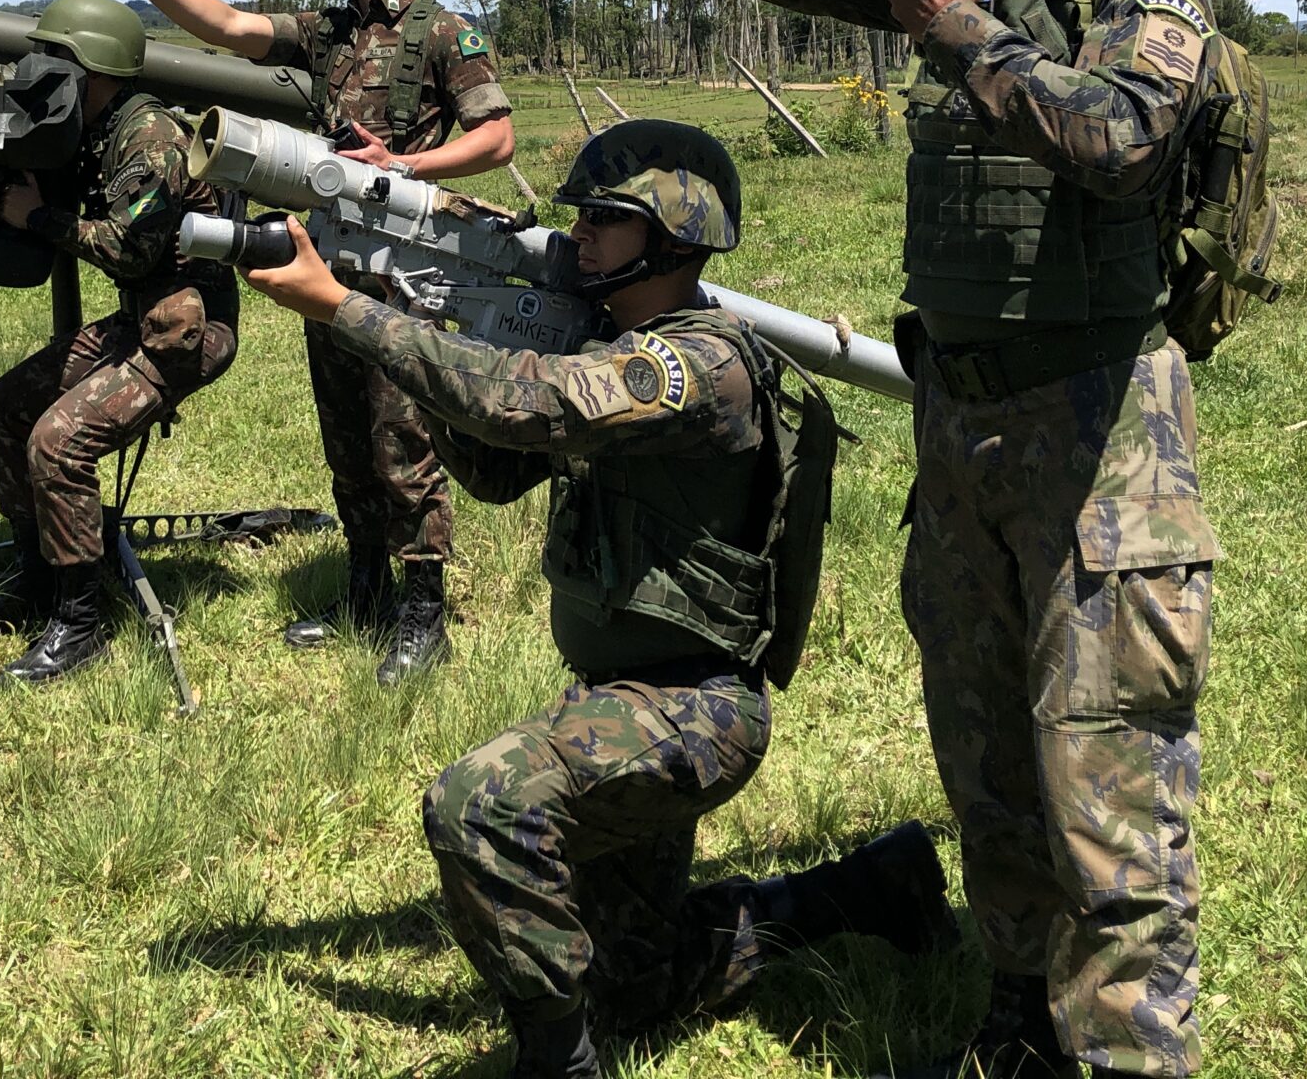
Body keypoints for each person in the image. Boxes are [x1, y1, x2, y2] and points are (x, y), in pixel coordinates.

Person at [467, 0, 1223, 1079]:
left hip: (1098, 430)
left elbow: (1122, 135)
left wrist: (959, 31)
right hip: (965, 426)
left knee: (1107, 785)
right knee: (989, 749)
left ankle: (1120, 1056)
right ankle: (1016, 1017)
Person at [239, 119, 955, 1079]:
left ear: (675, 235)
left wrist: (347, 314)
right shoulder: (615, 336)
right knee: (639, 990)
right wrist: (400, 310)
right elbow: (496, 464)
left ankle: (557, 1059)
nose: (578, 235)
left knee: (480, 807)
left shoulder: (698, 365)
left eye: (604, 221)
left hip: (691, 708)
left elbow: (531, 403)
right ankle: (871, 888)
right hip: (617, 696)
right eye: (577, 216)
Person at [80, 0, 514, 685]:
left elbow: (496, 139)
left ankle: (424, 614)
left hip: (405, 264)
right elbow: (237, 29)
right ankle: (364, 590)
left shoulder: (446, 32)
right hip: (327, 256)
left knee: (404, 434)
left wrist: (403, 163)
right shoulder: (331, 28)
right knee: (346, 432)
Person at [0, 0, 238, 690]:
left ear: (90, 69)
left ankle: (80, 623)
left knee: (57, 442)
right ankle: (39, 574)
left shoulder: (149, 138)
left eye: (53, 60)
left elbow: (127, 247)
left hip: (189, 328)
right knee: (4, 408)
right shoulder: (91, 128)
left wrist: (39, 218)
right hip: (143, 319)